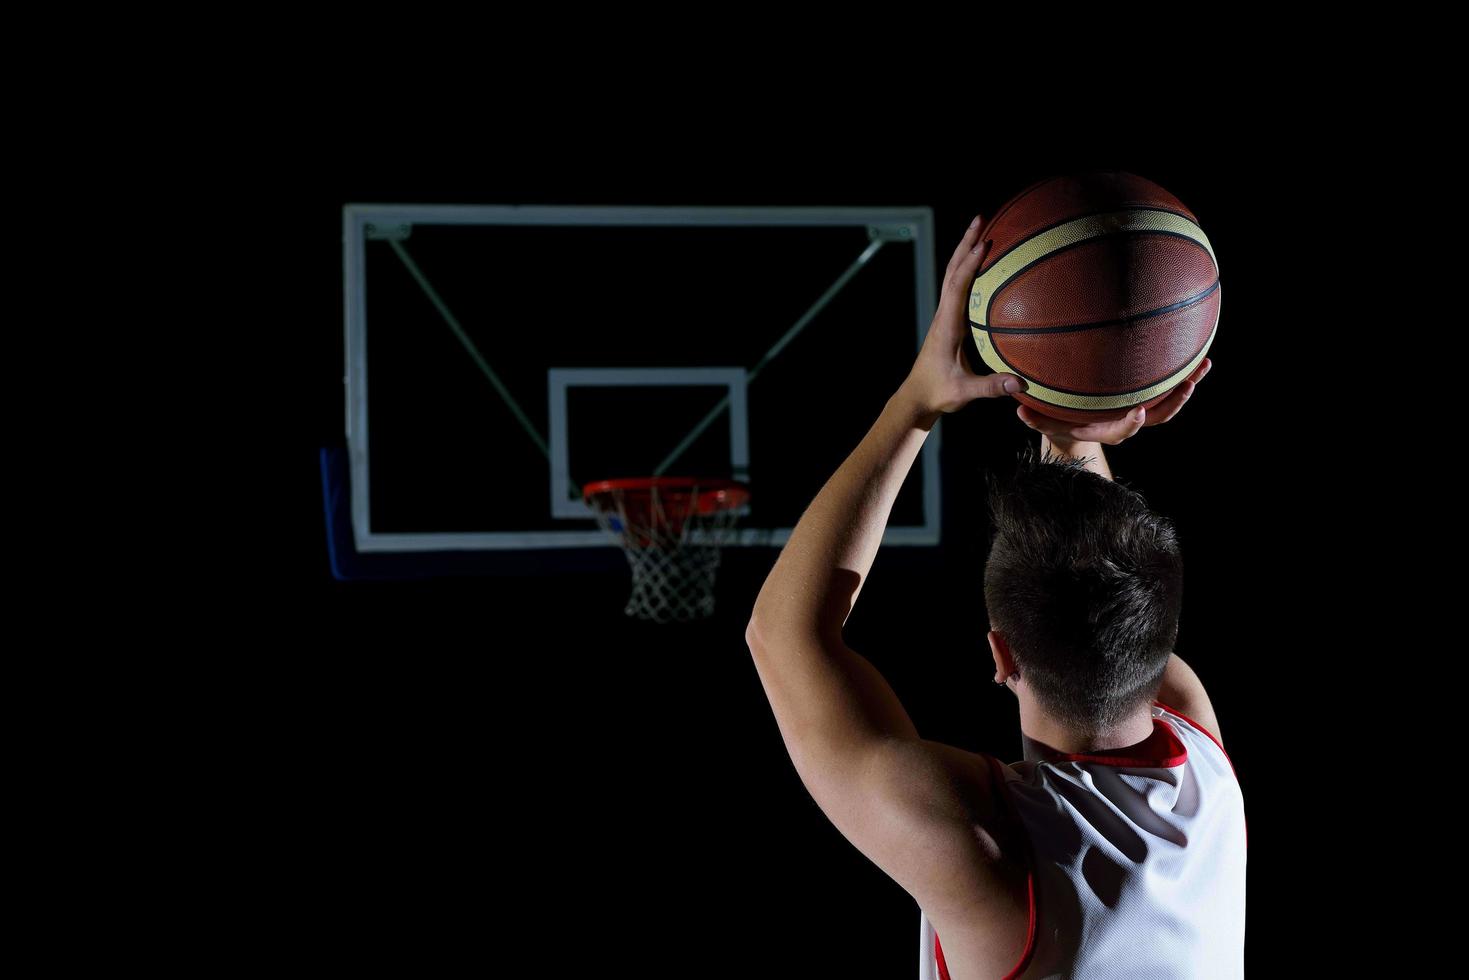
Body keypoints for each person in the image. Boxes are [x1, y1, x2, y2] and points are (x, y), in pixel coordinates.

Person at [920, 411, 1246, 980]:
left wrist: (919, 401)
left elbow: (779, 634)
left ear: (1001, 657)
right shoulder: (1205, 763)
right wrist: (1076, 431)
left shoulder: (988, 842)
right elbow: (1111, 589)